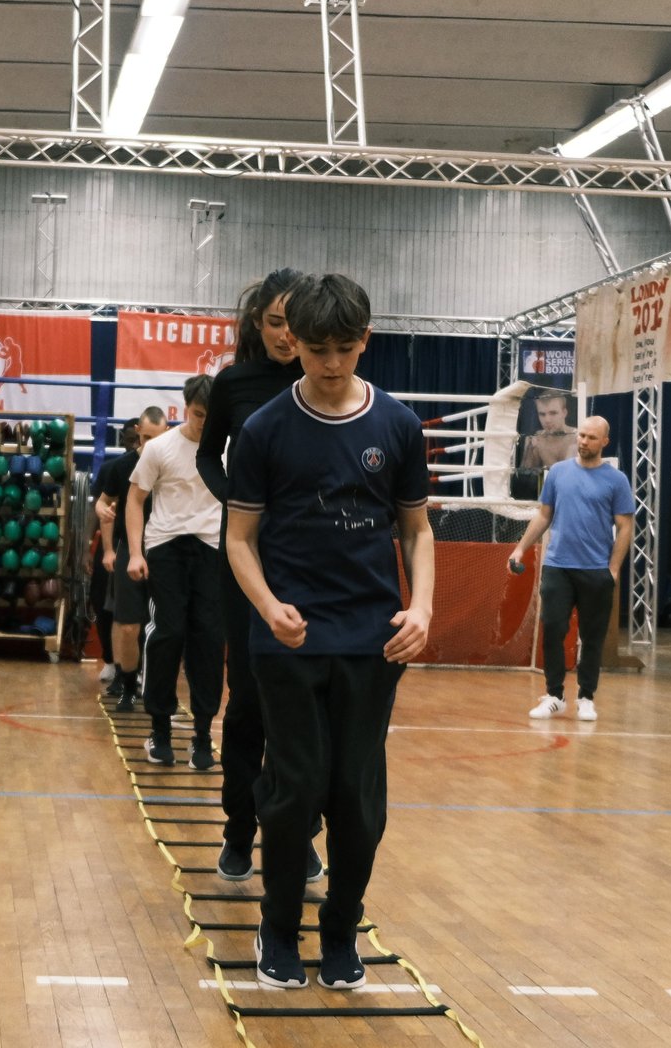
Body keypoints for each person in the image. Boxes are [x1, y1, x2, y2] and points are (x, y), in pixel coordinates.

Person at [226, 272, 433, 991]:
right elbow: (240, 539)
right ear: (293, 341)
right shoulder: (264, 429)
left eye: (345, 348)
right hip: (287, 642)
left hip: (373, 641)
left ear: (365, 341)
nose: (332, 363)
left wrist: (422, 608)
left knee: (357, 800)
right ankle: (279, 927)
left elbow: (417, 530)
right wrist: (267, 606)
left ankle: (341, 930)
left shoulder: (397, 426)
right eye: (318, 350)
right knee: (294, 791)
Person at [194, 268, 316, 882]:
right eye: (274, 323)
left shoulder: (325, 382)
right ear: (256, 323)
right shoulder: (234, 383)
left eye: (296, 325)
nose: (286, 336)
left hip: (311, 560)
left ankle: (299, 831)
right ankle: (239, 830)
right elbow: (206, 456)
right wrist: (237, 503)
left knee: (305, 701)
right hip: (243, 558)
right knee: (246, 701)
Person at [508, 415, 634, 722]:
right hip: (558, 566)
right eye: (581, 435)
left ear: (604, 442)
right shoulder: (558, 473)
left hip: (596, 570)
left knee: (592, 637)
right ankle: (554, 695)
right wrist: (520, 548)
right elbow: (543, 515)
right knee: (552, 628)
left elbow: (625, 527)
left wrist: (613, 569)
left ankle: (586, 697)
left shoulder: (616, 480)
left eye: (592, 437)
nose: (584, 441)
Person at [127, 378, 224, 770]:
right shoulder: (160, 448)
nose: (203, 422)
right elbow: (135, 499)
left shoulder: (229, 449)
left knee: (209, 638)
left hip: (212, 549)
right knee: (168, 633)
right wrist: (136, 553)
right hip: (166, 547)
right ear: (185, 408)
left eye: (210, 416)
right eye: (198, 414)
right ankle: (160, 730)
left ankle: (202, 735)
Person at [92, 407, 167, 711]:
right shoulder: (121, 467)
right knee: (126, 624)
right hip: (129, 548)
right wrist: (109, 548)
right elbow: (103, 505)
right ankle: (126, 684)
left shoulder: (172, 464)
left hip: (165, 549)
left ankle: (156, 684)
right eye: (146, 437)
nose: (150, 445)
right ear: (137, 432)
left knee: (165, 626)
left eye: (157, 439)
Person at [89, 419, 140, 696]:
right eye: (131, 438)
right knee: (112, 609)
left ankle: (138, 670)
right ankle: (112, 663)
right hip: (120, 547)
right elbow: (102, 511)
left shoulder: (158, 467)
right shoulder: (114, 468)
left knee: (143, 616)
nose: (135, 443)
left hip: (149, 548)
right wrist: (100, 548)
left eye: (140, 437)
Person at [518, 390, 577, 469]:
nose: (547, 420)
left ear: (564, 413)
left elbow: (566, 474)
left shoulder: (577, 437)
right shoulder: (536, 439)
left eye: (553, 413)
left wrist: (543, 451)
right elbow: (525, 474)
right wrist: (529, 450)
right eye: (542, 414)